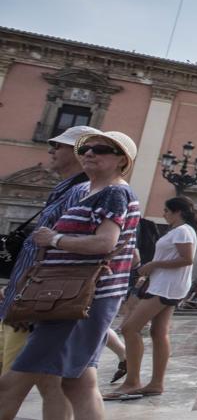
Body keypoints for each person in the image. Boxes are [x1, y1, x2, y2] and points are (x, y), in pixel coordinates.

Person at [0, 130, 142, 420]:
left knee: (11, 385)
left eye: (100, 149)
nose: (89, 153)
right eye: (86, 148)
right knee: (78, 384)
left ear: (121, 160)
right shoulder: (87, 192)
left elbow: (105, 243)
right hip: (68, 296)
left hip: (76, 300)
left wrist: (53, 240)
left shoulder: (114, 192)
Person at [0, 125, 97, 417]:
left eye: (60, 145)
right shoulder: (66, 189)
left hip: (37, 303)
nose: (51, 149)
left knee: (15, 385)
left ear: (81, 155)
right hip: (31, 299)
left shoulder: (80, 192)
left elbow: (58, 252)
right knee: (51, 383)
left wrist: (29, 302)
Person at [109, 196, 197, 400]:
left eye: (166, 211)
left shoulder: (183, 230)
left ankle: (132, 382)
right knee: (159, 333)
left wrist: (153, 265)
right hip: (166, 285)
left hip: (165, 287)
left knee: (129, 328)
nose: (163, 214)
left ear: (178, 212)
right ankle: (156, 383)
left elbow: (187, 259)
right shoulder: (181, 231)